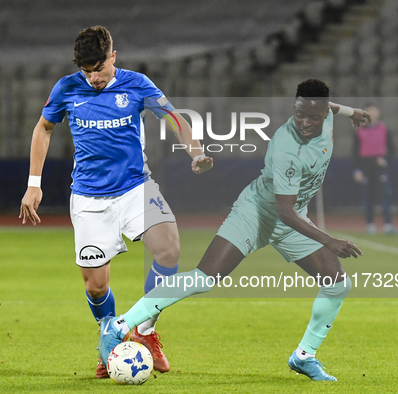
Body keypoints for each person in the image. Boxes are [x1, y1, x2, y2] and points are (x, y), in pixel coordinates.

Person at [99, 79, 370, 382]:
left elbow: (330, 107)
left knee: (337, 283)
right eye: (300, 114)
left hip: (292, 218)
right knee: (203, 279)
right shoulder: (287, 148)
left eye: (313, 116)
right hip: (257, 214)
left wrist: (352, 111)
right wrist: (328, 240)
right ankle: (121, 325)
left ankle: (304, 356)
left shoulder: (327, 114)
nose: (305, 122)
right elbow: (284, 211)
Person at [18, 26, 213, 378]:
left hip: (136, 188)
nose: (93, 77)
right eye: (86, 71)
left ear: (113, 56)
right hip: (90, 198)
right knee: (96, 285)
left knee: (168, 250)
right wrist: (34, 184)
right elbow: (43, 128)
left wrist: (195, 151)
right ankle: (108, 335)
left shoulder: (136, 84)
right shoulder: (66, 87)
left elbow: (172, 116)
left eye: (99, 68)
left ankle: (145, 331)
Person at [352, 105, 396, 235]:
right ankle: (370, 224)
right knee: (368, 197)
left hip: (380, 168)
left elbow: (392, 148)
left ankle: (388, 224)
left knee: (385, 195)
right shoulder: (359, 129)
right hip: (366, 167)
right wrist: (356, 169)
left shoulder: (384, 128)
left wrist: (385, 159)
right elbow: (354, 151)